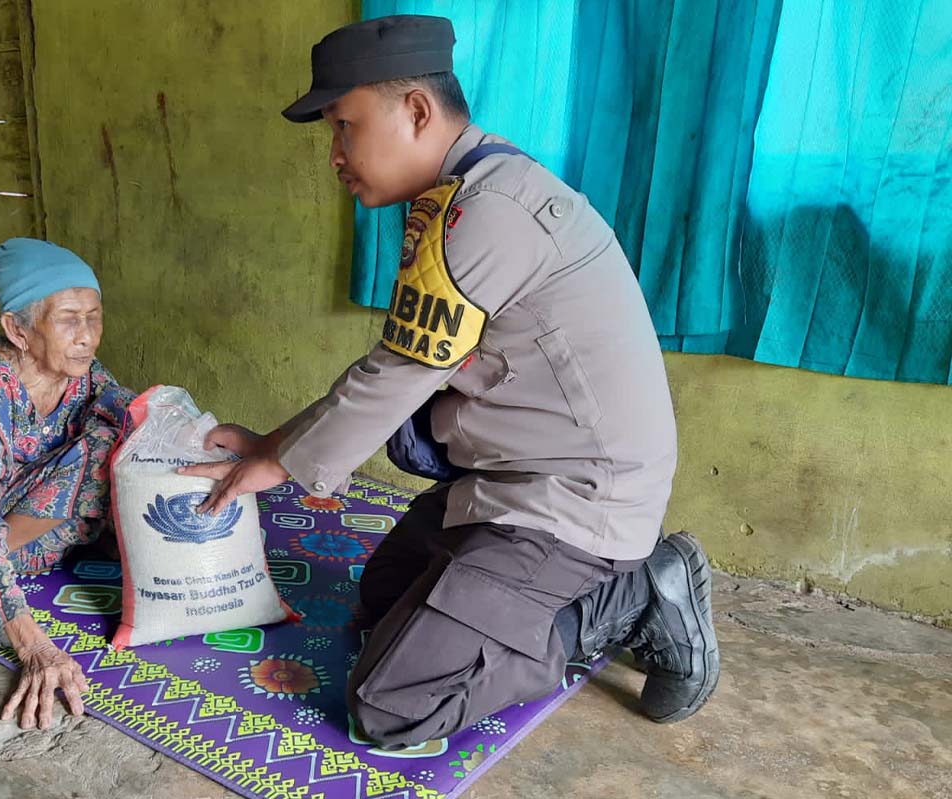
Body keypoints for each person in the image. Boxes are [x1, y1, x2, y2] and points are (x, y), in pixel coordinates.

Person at [181, 15, 719, 749]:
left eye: (346, 127)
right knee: (378, 601)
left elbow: (398, 375)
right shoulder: (465, 191)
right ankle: (546, 591)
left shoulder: (488, 212)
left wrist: (273, 466)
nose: (335, 154)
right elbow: (396, 363)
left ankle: (630, 596)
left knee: (392, 701)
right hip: (509, 477)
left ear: (416, 111)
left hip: (571, 498)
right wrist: (273, 441)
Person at [0, 238, 134, 731]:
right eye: (68, 319)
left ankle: (82, 534)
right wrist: (34, 646)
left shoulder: (80, 372)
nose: (87, 336)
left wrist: (201, 436)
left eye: (94, 317)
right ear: (18, 329)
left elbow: (129, 406)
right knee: (101, 454)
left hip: (34, 518)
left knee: (123, 433)